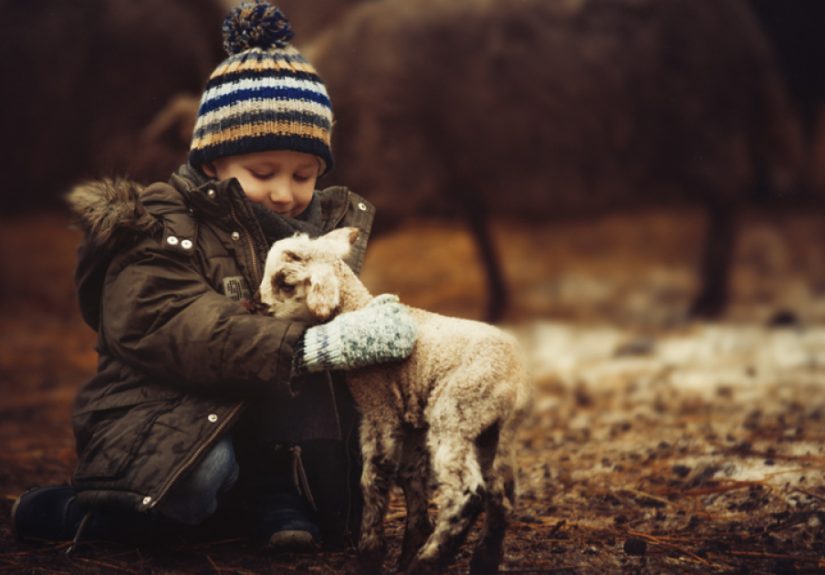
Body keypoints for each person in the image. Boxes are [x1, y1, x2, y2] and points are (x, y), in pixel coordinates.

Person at [12, 1, 416, 553]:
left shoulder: (317, 236)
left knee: (314, 440)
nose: (284, 193)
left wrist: (380, 331)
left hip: (265, 430)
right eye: (263, 172)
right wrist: (310, 345)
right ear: (211, 163)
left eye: (304, 174)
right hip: (166, 416)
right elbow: (173, 321)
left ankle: (270, 493)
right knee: (199, 478)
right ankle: (75, 511)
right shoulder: (160, 224)